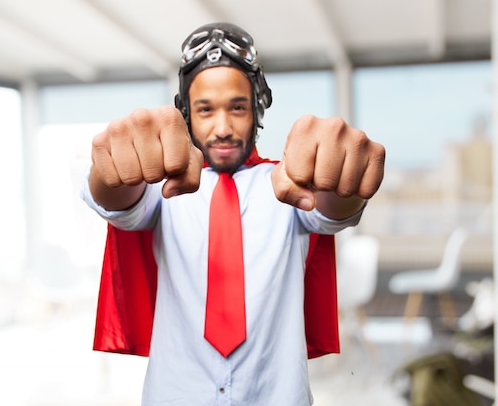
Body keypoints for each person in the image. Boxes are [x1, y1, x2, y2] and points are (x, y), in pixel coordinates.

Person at [82, 22, 385, 406]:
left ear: (257, 107)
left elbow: (333, 210)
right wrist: (113, 163)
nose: (222, 128)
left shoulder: (289, 186)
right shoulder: (160, 192)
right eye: (205, 110)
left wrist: (346, 178)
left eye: (237, 107)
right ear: (186, 114)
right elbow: (116, 200)